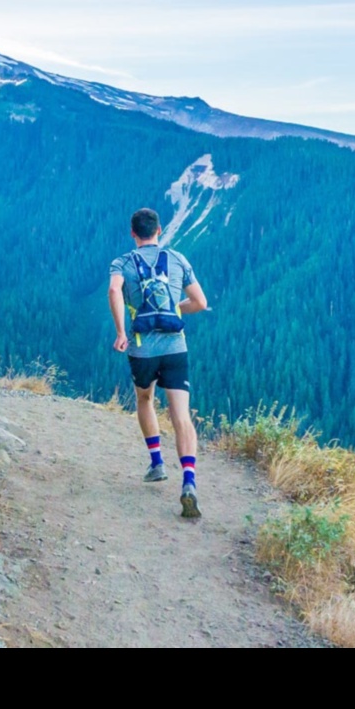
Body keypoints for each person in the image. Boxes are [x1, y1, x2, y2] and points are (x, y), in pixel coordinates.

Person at [107, 207, 210, 518]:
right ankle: (189, 482)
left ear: (132, 233)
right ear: (159, 230)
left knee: (145, 399)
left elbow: (114, 289)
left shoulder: (122, 262)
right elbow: (201, 303)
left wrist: (122, 331)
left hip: (142, 349)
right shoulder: (178, 259)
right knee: (181, 415)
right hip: (175, 347)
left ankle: (156, 463)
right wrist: (173, 310)